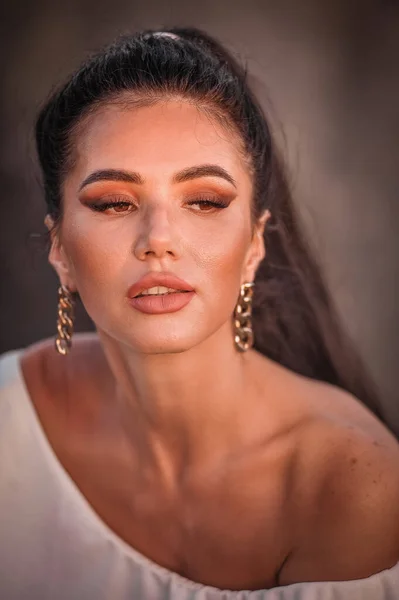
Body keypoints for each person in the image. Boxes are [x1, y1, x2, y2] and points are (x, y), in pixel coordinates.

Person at [0, 27, 398, 600]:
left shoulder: (353, 491)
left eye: (204, 201)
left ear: (255, 244)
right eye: (114, 202)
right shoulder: (15, 420)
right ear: (58, 248)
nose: (159, 240)